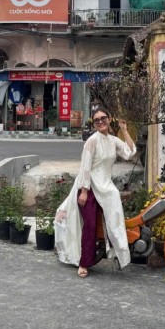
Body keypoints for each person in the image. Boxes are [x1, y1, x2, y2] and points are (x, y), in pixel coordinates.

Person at [54, 106, 136, 278]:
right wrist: (84, 191)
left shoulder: (113, 140)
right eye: (96, 120)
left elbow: (129, 153)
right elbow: (85, 167)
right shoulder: (92, 141)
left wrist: (124, 130)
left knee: (115, 218)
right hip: (89, 186)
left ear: (109, 119)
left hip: (106, 186)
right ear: (94, 123)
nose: (100, 122)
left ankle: (119, 252)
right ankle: (84, 263)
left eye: (103, 118)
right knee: (90, 225)